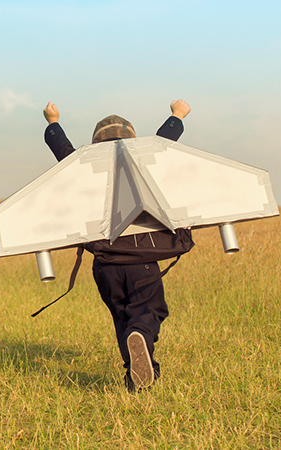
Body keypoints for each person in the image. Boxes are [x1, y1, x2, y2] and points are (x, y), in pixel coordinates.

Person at [42, 100, 192, 391]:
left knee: (122, 316)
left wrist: (52, 122)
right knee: (148, 312)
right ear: (133, 142)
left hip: (105, 265)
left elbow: (64, 153)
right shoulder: (143, 167)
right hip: (142, 260)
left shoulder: (85, 172)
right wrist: (177, 115)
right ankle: (141, 340)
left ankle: (135, 377)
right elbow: (162, 144)